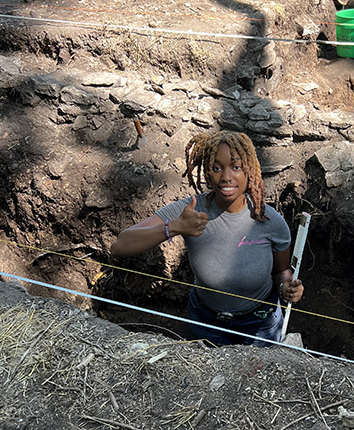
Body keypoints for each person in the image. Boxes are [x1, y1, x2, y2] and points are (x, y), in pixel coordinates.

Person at [111, 130, 304, 346]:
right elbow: (120, 245)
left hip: (259, 325)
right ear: (207, 173)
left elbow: (281, 271)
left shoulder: (270, 221)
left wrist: (286, 287)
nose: (226, 177)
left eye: (236, 167)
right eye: (216, 168)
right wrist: (174, 227)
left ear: (249, 171)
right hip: (206, 322)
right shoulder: (191, 211)